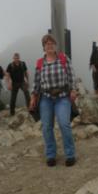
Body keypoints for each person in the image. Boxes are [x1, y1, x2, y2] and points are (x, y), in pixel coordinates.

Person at [30, 34, 77, 167]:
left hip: (62, 97)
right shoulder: (40, 63)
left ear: (55, 45)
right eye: (46, 44)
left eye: (51, 43)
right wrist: (33, 96)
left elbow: (71, 75)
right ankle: (50, 155)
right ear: (43, 47)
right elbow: (37, 82)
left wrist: (73, 90)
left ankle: (70, 154)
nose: (49, 46)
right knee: (46, 127)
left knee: (64, 124)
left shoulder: (63, 58)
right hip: (46, 98)